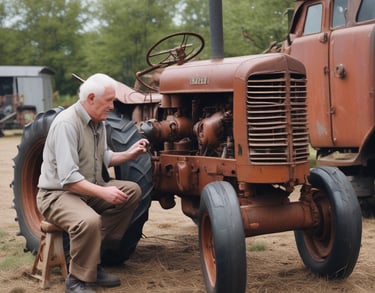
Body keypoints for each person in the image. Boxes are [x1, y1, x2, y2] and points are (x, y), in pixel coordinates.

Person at [37, 73, 149, 293]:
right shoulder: (67, 124)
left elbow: (103, 157)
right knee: (89, 220)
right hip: (57, 195)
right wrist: (103, 193)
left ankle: (92, 259)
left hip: (86, 188)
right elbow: (68, 179)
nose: (112, 105)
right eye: (108, 100)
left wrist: (129, 154)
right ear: (90, 98)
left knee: (132, 192)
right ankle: (76, 281)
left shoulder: (98, 123)